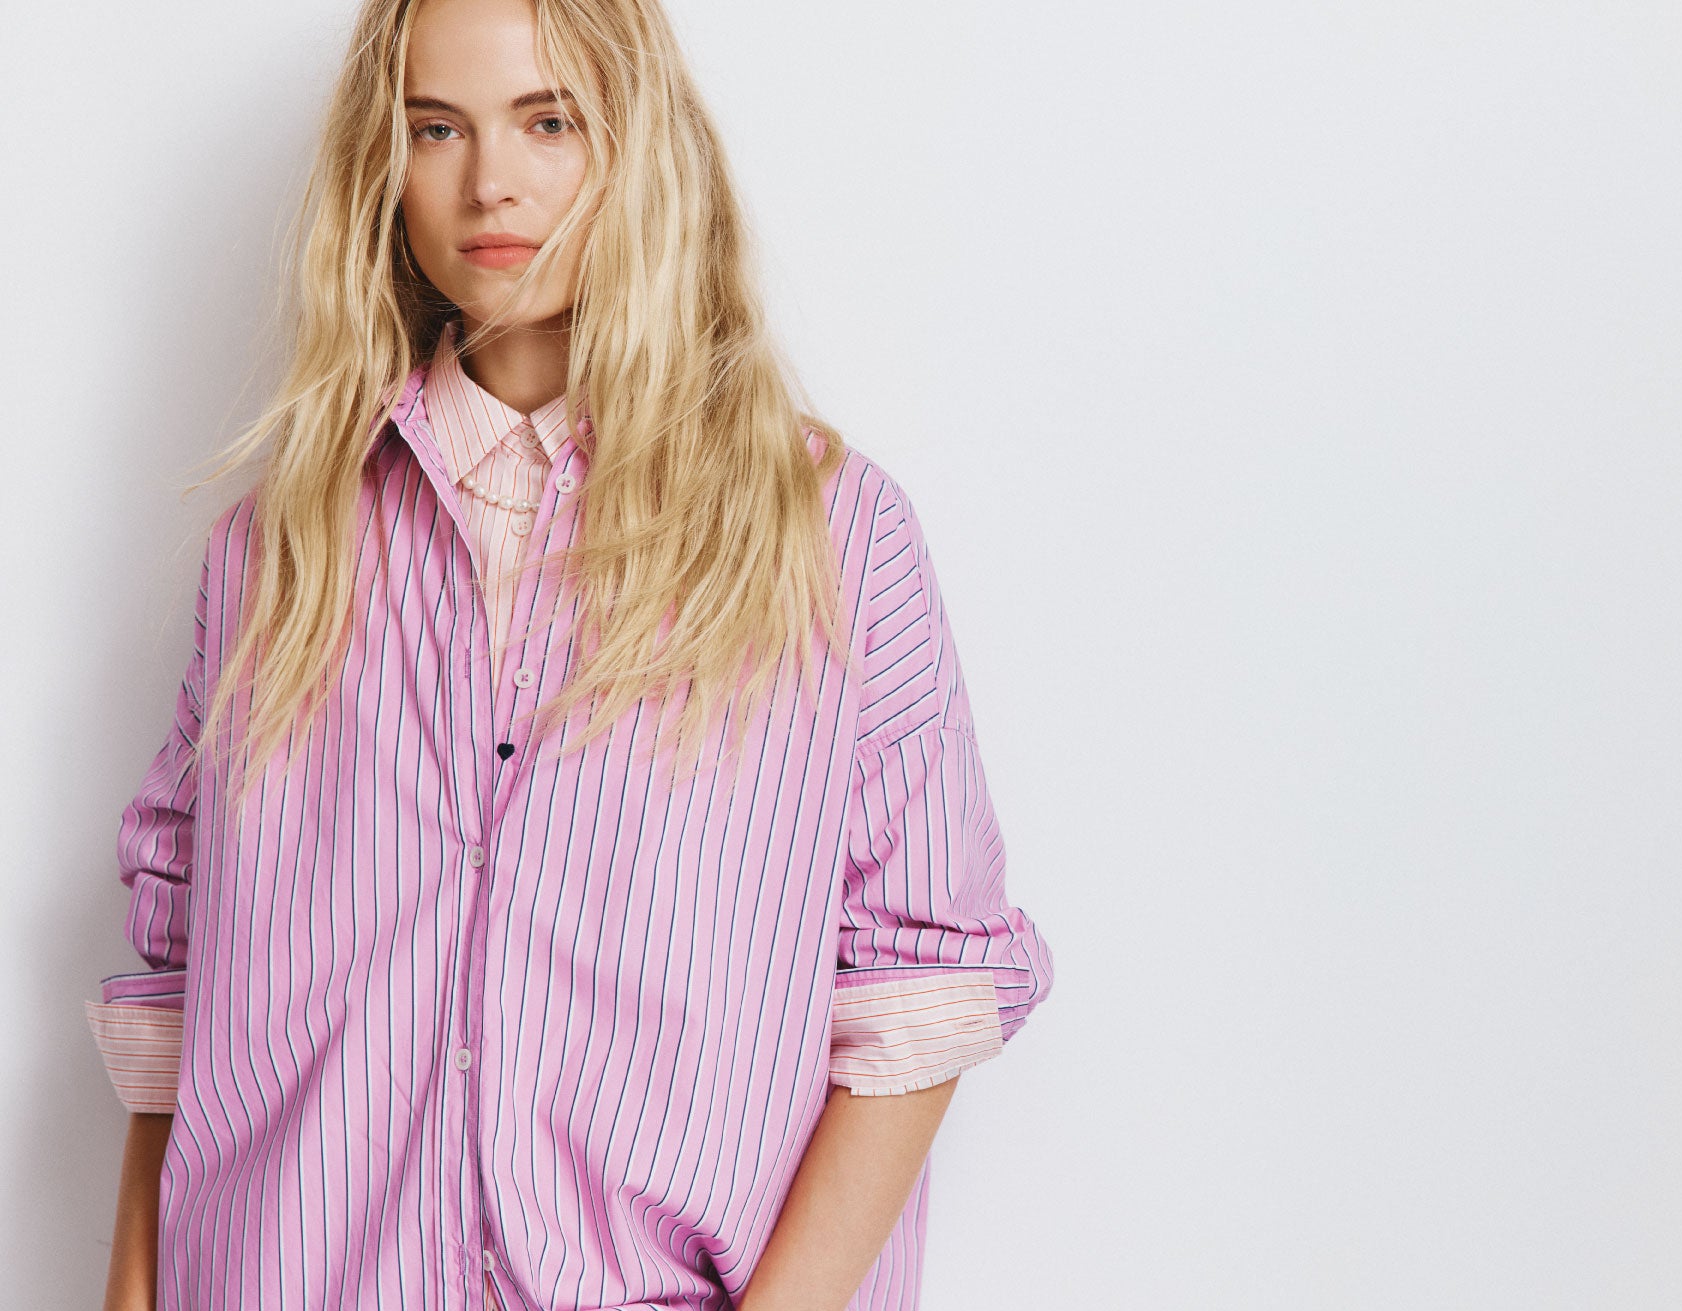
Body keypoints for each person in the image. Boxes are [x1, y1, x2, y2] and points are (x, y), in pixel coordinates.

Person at [80, 0, 1055, 1307]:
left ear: (638, 141)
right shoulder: (280, 548)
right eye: (436, 128)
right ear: (385, 165)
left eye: (549, 121)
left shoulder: (826, 533)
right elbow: (180, 987)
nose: (491, 181)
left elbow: (918, 985)